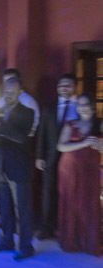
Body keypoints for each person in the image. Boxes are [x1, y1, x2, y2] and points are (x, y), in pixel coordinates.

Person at [0, 77, 35, 260]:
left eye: (12, 93)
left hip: (18, 167)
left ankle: (25, 246)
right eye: (6, 92)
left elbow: (21, 136)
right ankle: (6, 241)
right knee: (4, 208)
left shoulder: (27, 112)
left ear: (20, 93)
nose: (8, 96)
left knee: (22, 209)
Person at [57, 94, 102, 256]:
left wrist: (100, 146)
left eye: (86, 104)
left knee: (89, 203)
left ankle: (89, 242)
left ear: (92, 106)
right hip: (69, 168)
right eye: (80, 104)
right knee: (71, 202)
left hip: (90, 169)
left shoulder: (99, 124)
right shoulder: (71, 124)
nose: (82, 107)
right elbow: (61, 146)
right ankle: (71, 240)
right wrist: (84, 143)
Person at [35, 73, 78, 239]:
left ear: (75, 87)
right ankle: (47, 227)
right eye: (61, 85)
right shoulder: (48, 108)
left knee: (69, 192)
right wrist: (39, 156)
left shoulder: (80, 107)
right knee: (48, 192)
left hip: (72, 157)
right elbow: (42, 134)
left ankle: (67, 228)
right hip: (50, 157)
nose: (64, 88)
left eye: (68, 85)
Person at [0, 68, 40, 136]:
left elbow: (32, 129)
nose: (8, 83)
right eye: (5, 81)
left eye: (11, 80)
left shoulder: (28, 101)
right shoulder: (1, 100)